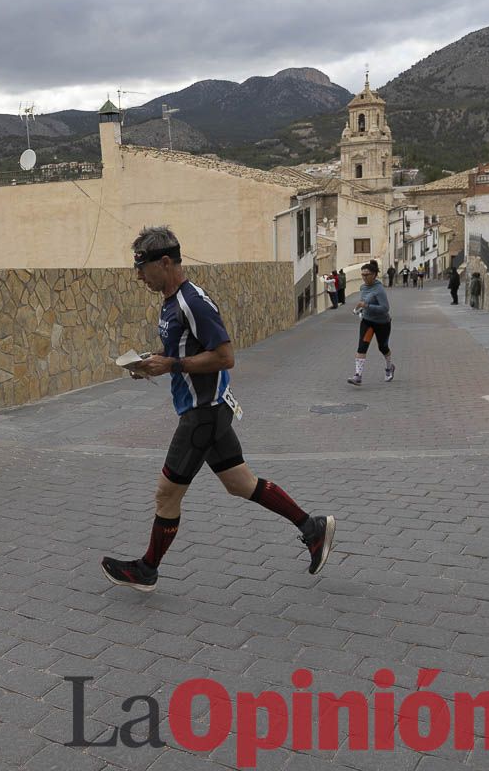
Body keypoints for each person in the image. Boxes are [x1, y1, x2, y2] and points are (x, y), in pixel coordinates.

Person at [102, 226, 336, 592]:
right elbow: (183, 353)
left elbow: (225, 357)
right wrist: (153, 364)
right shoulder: (170, 301)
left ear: (165, 262)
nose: (138, 276)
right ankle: (312, 528)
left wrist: (173, 366)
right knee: (240, 483)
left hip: (203, 413)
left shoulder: (192, 301)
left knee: (167, 493)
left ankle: (147, 569)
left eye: (142, 267)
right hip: (206, 410)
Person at [348, 260, 395, 385]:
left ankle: (389, 367)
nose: (364, 277)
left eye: (367, 274)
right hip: (368, 322)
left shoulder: (379, 290)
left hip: (382, 323)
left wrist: (367, 305)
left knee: (383, 347)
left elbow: (385, 308)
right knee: (362, 347)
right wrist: (360, 311)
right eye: (362, 275)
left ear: (374, 275)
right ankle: (358, 376)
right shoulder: (363, 287)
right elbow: (363, 302)